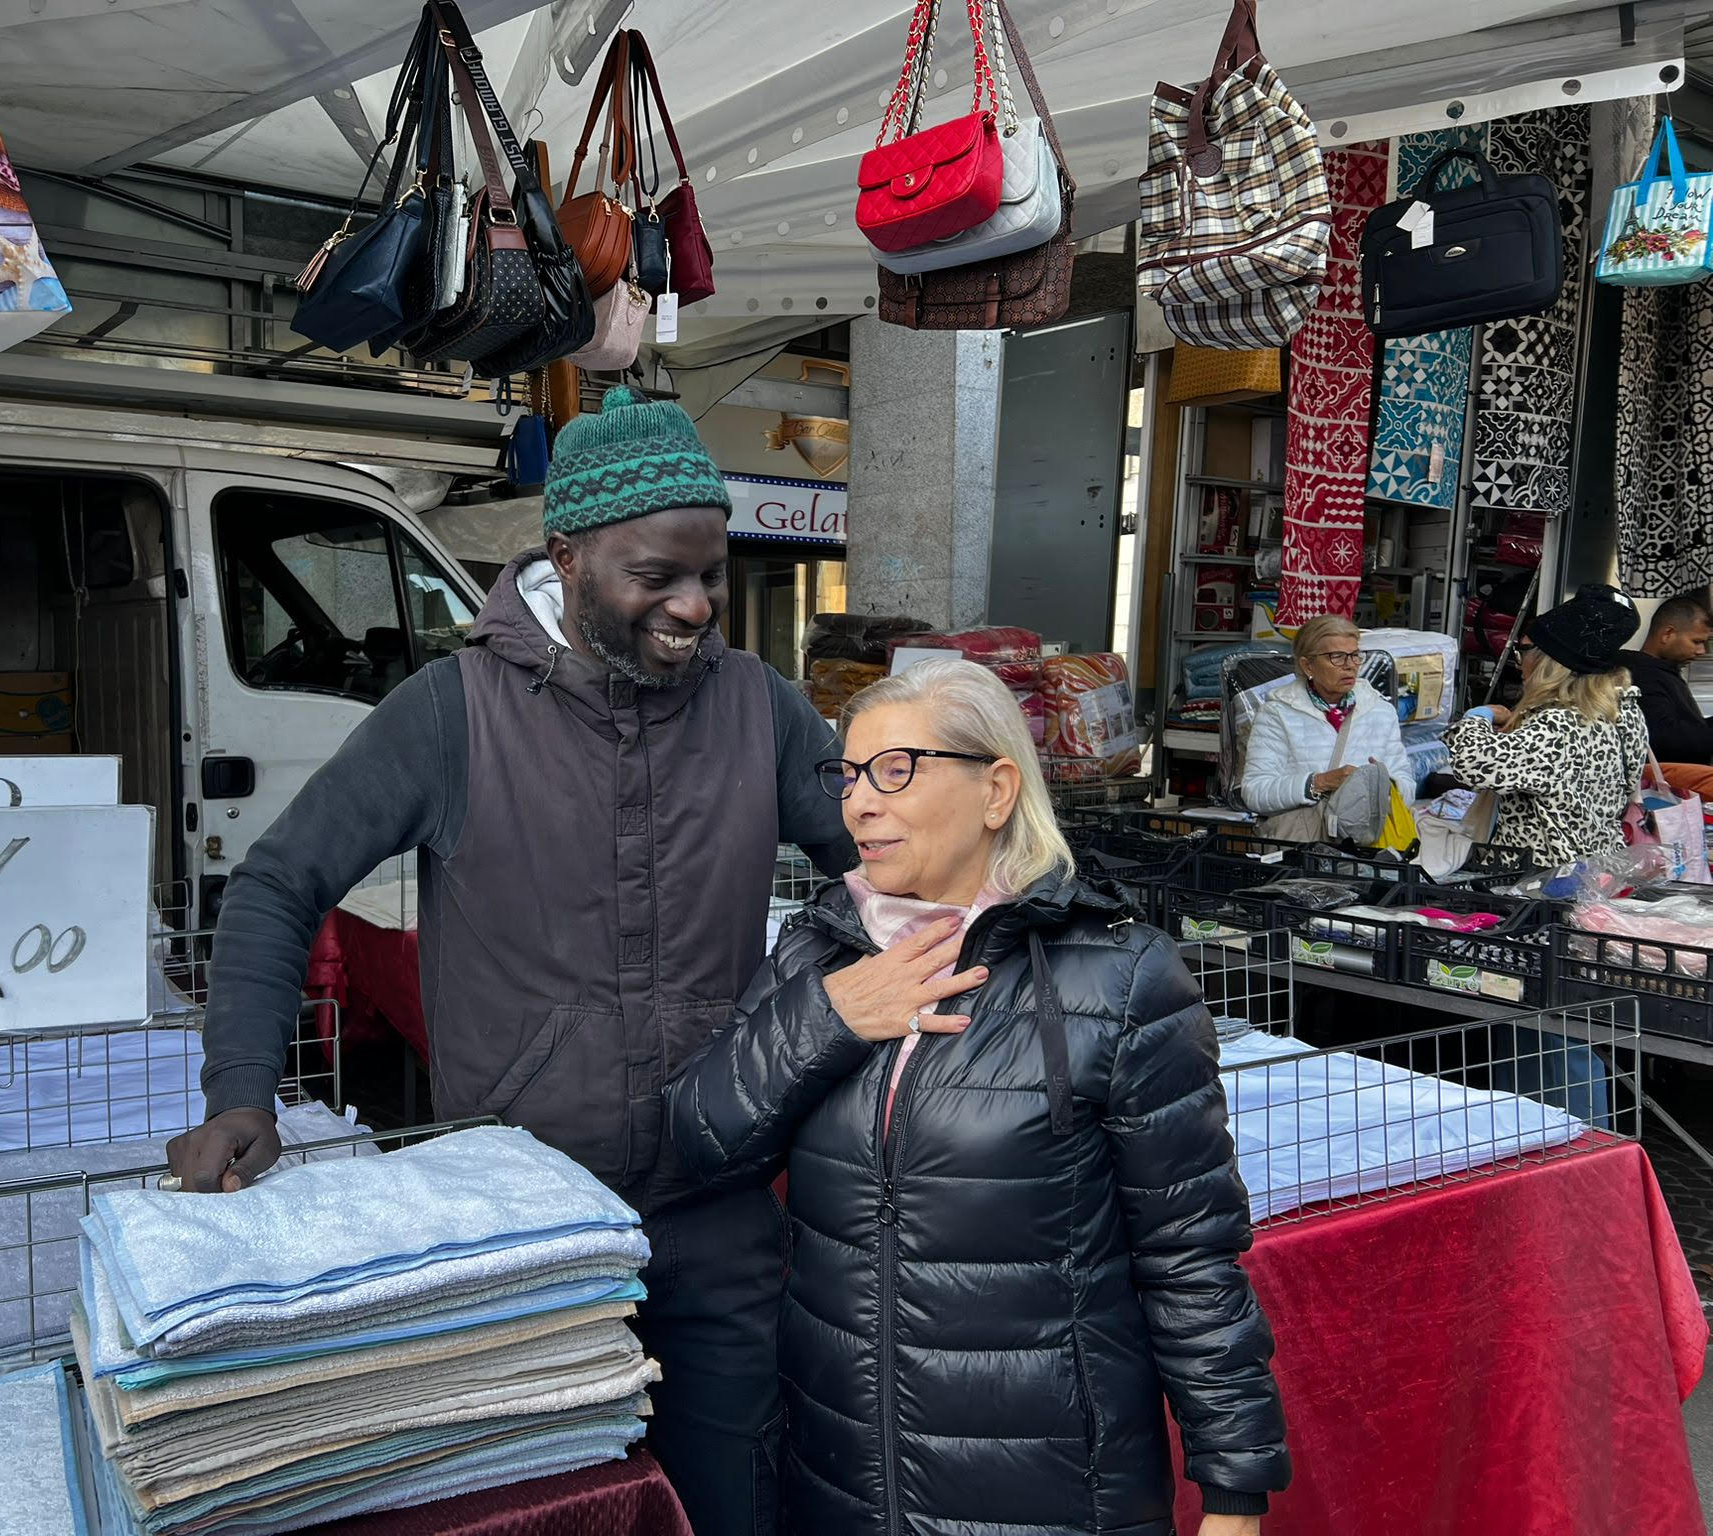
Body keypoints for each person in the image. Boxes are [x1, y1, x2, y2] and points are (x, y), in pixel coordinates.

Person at [165, 386, 854, 1536]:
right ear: (567, 557)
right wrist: (241, 1087)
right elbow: (279, 883)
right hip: (522, 1224)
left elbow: (875, 865)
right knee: (552, 1514)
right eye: (655, 577)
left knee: (735, 1501)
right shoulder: (451, 712)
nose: (693, 605)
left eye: (711, 575)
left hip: (721, 1213)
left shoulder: (761, 711)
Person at [665, 658, 1290, 1536]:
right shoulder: (822, 952)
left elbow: (1190, 1256)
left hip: (1049, 1492)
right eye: (848, 775)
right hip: (840, 1475)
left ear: (996, 790)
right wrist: (831, 1019)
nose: (859, 804)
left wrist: (1233, 1491)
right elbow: (701, 1139)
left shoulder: (1118, 977)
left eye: (896, 771)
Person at [1445, 583, 1649, 868]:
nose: (1519, 663)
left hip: (1541, 882)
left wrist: (1478, 717)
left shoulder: (1556, 725)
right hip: (1600, 870)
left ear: (1549, 661)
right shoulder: (1625, 713)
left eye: (1524, 650)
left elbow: (1471, 763)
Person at [1237, 614, 1413, 830]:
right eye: (1337, 657)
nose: (1350, 666)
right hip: (1306, 844)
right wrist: (1320, 783)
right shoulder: (1278, 713)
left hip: (1366, 846)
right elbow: (1255, 792)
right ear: (1308, 666)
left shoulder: (1381, 712)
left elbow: (1407, 785)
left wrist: (1382, 786)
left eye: (1355, 655)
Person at [1614, 591, 1713, 797]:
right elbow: (1665, 739)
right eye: (1696, 641)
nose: (1702, 651)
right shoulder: (1641, 675)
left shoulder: (1662, 671)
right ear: (1668, 634)